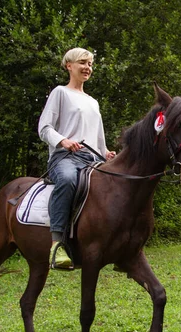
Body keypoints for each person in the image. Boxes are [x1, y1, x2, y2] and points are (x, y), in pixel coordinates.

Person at [38, 47, 116, 269]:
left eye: (90, 64)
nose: (87, 68)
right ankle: (57, 245)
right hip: (65, 158)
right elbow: (44, 128)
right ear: (68, 66)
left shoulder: (93, 101)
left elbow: (98, 138)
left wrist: (106, 152)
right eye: (83, 63)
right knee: (68, 180)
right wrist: (63, 141)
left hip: (92, 159)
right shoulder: (60, 93)